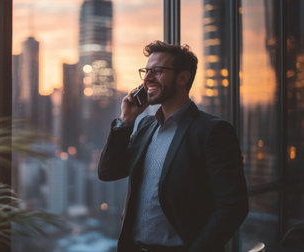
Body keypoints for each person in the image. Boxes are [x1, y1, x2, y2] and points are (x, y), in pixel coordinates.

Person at [98, 41, 249, 252]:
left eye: (157, 71)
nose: (147, 78)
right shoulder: (146, 126)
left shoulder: (212, 131)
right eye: (146, 71)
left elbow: (234, 205)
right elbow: (108, 172)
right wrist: (126, 120)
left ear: (183, 77)